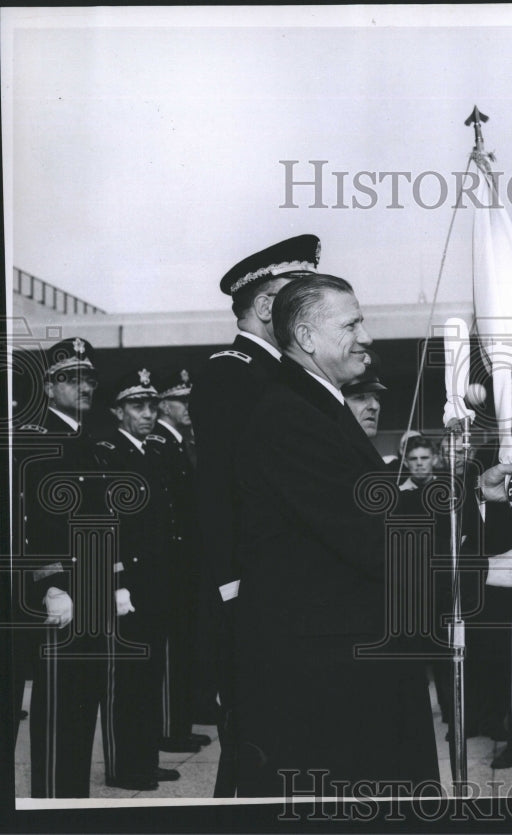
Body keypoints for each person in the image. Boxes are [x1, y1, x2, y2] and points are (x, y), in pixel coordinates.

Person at [232, 273, 512, 796]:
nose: (367, 336)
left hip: (351, 663)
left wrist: (470, 492)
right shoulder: (291, 417)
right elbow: (370, 543)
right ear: (306, 337)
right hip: (333, 679)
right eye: (352, 323)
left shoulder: (314, 408)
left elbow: (378, 514)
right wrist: (485, 569)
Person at [189, 233, 318, 796]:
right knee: (254, 739)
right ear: (267, 306)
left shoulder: (285, 374)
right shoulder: (233, 372)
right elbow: (220, 489)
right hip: (254, 586)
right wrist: (233, 586)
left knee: (287, 733)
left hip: (289, 583)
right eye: (300, 295)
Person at [16, 338, 107, 797]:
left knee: (81, 699)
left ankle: (74, 799)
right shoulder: (39, 435)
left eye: (89, 376)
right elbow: (34, 517)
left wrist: (114, 581)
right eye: (71, 377)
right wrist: (50, 584)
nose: (84, 385)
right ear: (49, 388)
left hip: (90, 588)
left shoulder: (86, 438)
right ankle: (54, 802)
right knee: (57, 705)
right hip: (62, 592)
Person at [94, 368, 179, 791]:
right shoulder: (109, 453)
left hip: (157, 581)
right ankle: (123, 766)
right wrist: (115, 580)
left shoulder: (154, 452)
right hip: (130, 582)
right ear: (118, 411)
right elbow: (111, 525)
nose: (148, 413)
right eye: (137, 406)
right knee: (127, 681)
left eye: (151, 406)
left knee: (149, 676)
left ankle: (144, 758)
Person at [145, 369, 211, 754]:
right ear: (164, 406)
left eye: (190, 399)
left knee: (185, 644)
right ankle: (170, 727)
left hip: (188, 559)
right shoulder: (158, 445)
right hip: (173, 560)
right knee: (173, 647)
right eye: (180, 401)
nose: (188, 407)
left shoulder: (182, 442)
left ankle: (180, 721)